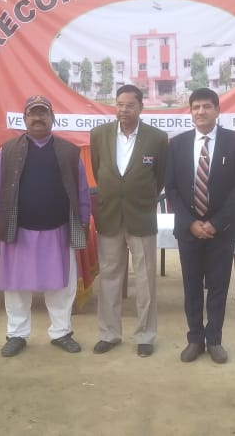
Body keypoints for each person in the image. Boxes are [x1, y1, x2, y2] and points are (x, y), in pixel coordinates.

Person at [0, 95, 91, 357]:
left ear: (52, 118)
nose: (38, 118)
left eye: (43, 113)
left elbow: (82, 191)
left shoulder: (69, 151)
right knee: (16, 287)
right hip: (18, 230)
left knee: (61, 286)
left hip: (58, 229)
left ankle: (61, 332)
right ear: (25, 119)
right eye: (33, 114)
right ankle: (16, 334)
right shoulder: (8, 150)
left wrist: (84, 222)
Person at [164, 87, 235, 364]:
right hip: (188, 230)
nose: (201, 111)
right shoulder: (177, 144)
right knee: (191, 286)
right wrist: (190, 223)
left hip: (222, 230)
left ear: (217, 110)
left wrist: (215, 223)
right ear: (190, 112)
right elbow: (171, 188)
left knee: (218, 286)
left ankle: (214, 340)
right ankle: (194, 339)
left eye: (206, 106)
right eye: (196, 107)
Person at [90, 85, 168, 358]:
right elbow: (98, 171)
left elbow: (160, 178)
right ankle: (109, 333)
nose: (124, 110)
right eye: (120, 104)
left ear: (141, 107)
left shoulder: (157, 138)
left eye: (130, 105)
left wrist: (140, 197)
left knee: (145, 278)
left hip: (141, 216)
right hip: (110, 215)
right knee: (109, 277)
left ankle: (145, 335)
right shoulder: (99, 135)